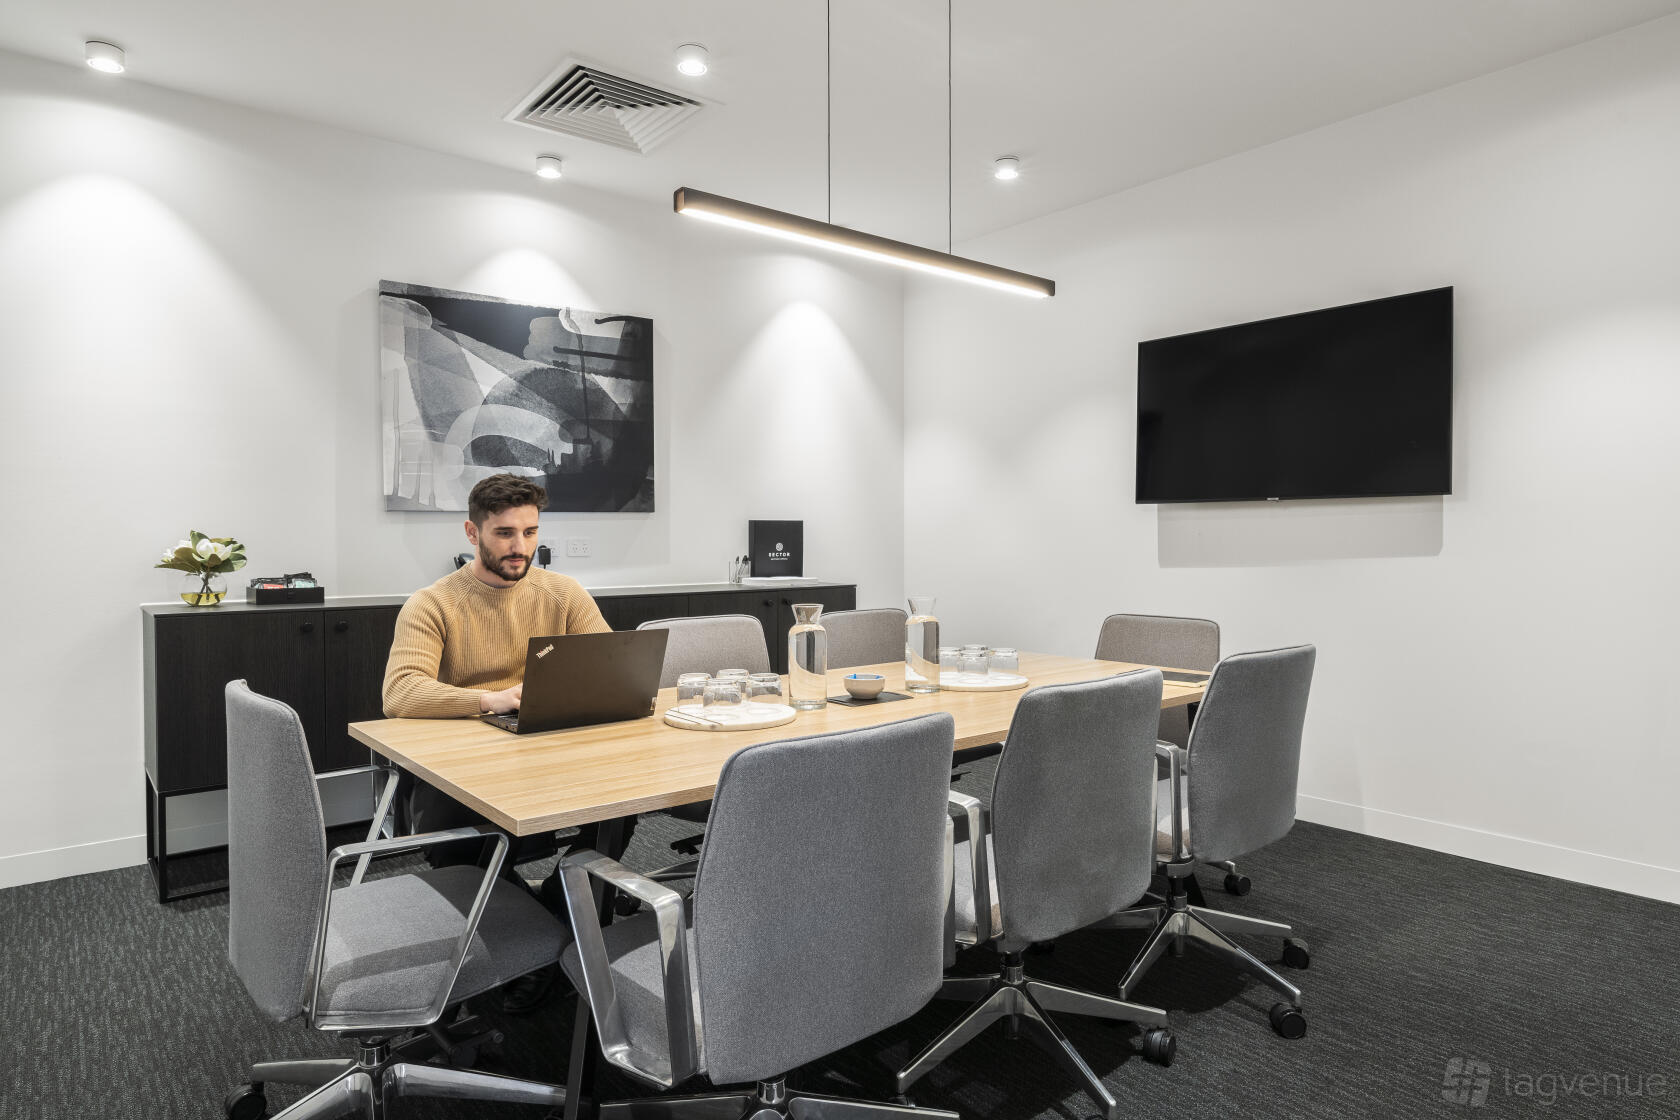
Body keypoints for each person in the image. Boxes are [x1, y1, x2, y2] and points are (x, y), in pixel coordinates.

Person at [382, 472, 611, 1011]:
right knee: (457, 839)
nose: (521, 547)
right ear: (472, 532)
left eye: (530, 532)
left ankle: (554, 919)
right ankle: (514, 943)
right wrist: (493, 699)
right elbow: (400, 692)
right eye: (506, 533)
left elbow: (606, 662)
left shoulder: (562, 593)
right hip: (465, 769)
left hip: (546, 753)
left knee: (615, 808)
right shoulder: (433, 603)